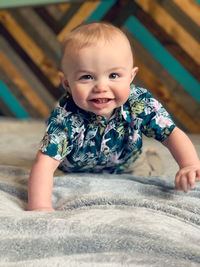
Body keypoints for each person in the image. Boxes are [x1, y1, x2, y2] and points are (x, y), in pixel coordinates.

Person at [28, 21, 200, 211]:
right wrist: (40, 206)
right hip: (75, 171)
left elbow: (171, 133)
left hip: (128, 164)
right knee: (53, 181)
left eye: (114, 76)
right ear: (67, 84)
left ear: (131, 76)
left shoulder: (139, 103)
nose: (101, 87)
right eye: (87, 77)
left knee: (149, 171)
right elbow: (44, 164)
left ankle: (150, 156)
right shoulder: (65, 116)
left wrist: (189, 164)